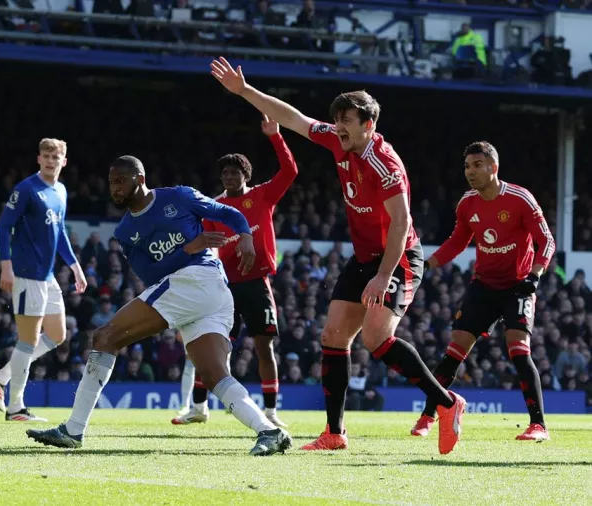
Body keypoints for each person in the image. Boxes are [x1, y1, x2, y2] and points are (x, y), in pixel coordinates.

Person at [211, 57, 466, 454]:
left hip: (396, 257)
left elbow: (401, 223)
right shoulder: (337, 139)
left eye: (347, 120)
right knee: (333, 336)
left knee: (377, 337)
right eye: (337, 119)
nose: (338, 126)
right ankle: (334, 433)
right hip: (364, 256)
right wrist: (245, 92)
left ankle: (448, 404)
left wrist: (383, 276)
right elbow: (293, 118)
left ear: (369, 125)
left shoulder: (385, 165)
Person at [27, 155, 292, 456]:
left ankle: (73, 430)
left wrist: (244, 234)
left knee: (105, 337)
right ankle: (269, 431)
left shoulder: (179, 196)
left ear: (139, 179)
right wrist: (189, 248)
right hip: (205, 291)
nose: (114, 189)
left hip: (198, 280)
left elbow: (226, 213)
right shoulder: (125, 233)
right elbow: (150, 274)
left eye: (120, 181)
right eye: (111, 183)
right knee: (214, 375)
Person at [414, 141, 553, 442]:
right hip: (484, 286)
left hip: (518, 286)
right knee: (454, 350)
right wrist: (428, 264)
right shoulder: (467, 204)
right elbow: (457, 241)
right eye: (467, 166)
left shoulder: (520, 199)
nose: (470, 172)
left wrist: (535, 275)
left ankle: (538, 425)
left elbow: (548, 241)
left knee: (518, 350)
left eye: (477, 165)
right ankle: (429, 415)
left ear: (494, 168)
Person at [173, 115, 298, 428]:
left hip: (256, 283)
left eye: (235, 172)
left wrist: (275, 137)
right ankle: (199, 407)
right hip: (224, 286)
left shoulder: (263, 195)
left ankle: (270, 412)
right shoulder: (213, 207)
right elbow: (209, 246)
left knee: (264, 346)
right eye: (225, 173)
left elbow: (290, 171)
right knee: (210, 346)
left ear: (246, 175)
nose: (229, 177)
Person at [0, 138, 87, 421]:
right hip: (27, 275)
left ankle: (1, 377)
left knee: (57, 335)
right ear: (38, 159)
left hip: (48, 276)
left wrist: (75, 266)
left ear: (64, 161)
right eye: (46, 155)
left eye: (57, 156)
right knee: (27, 342)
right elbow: (4, 228)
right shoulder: (27, 189)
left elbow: (60, 231)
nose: (51, 160)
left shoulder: (61, 191)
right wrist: (7, 266)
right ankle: (16, 407)